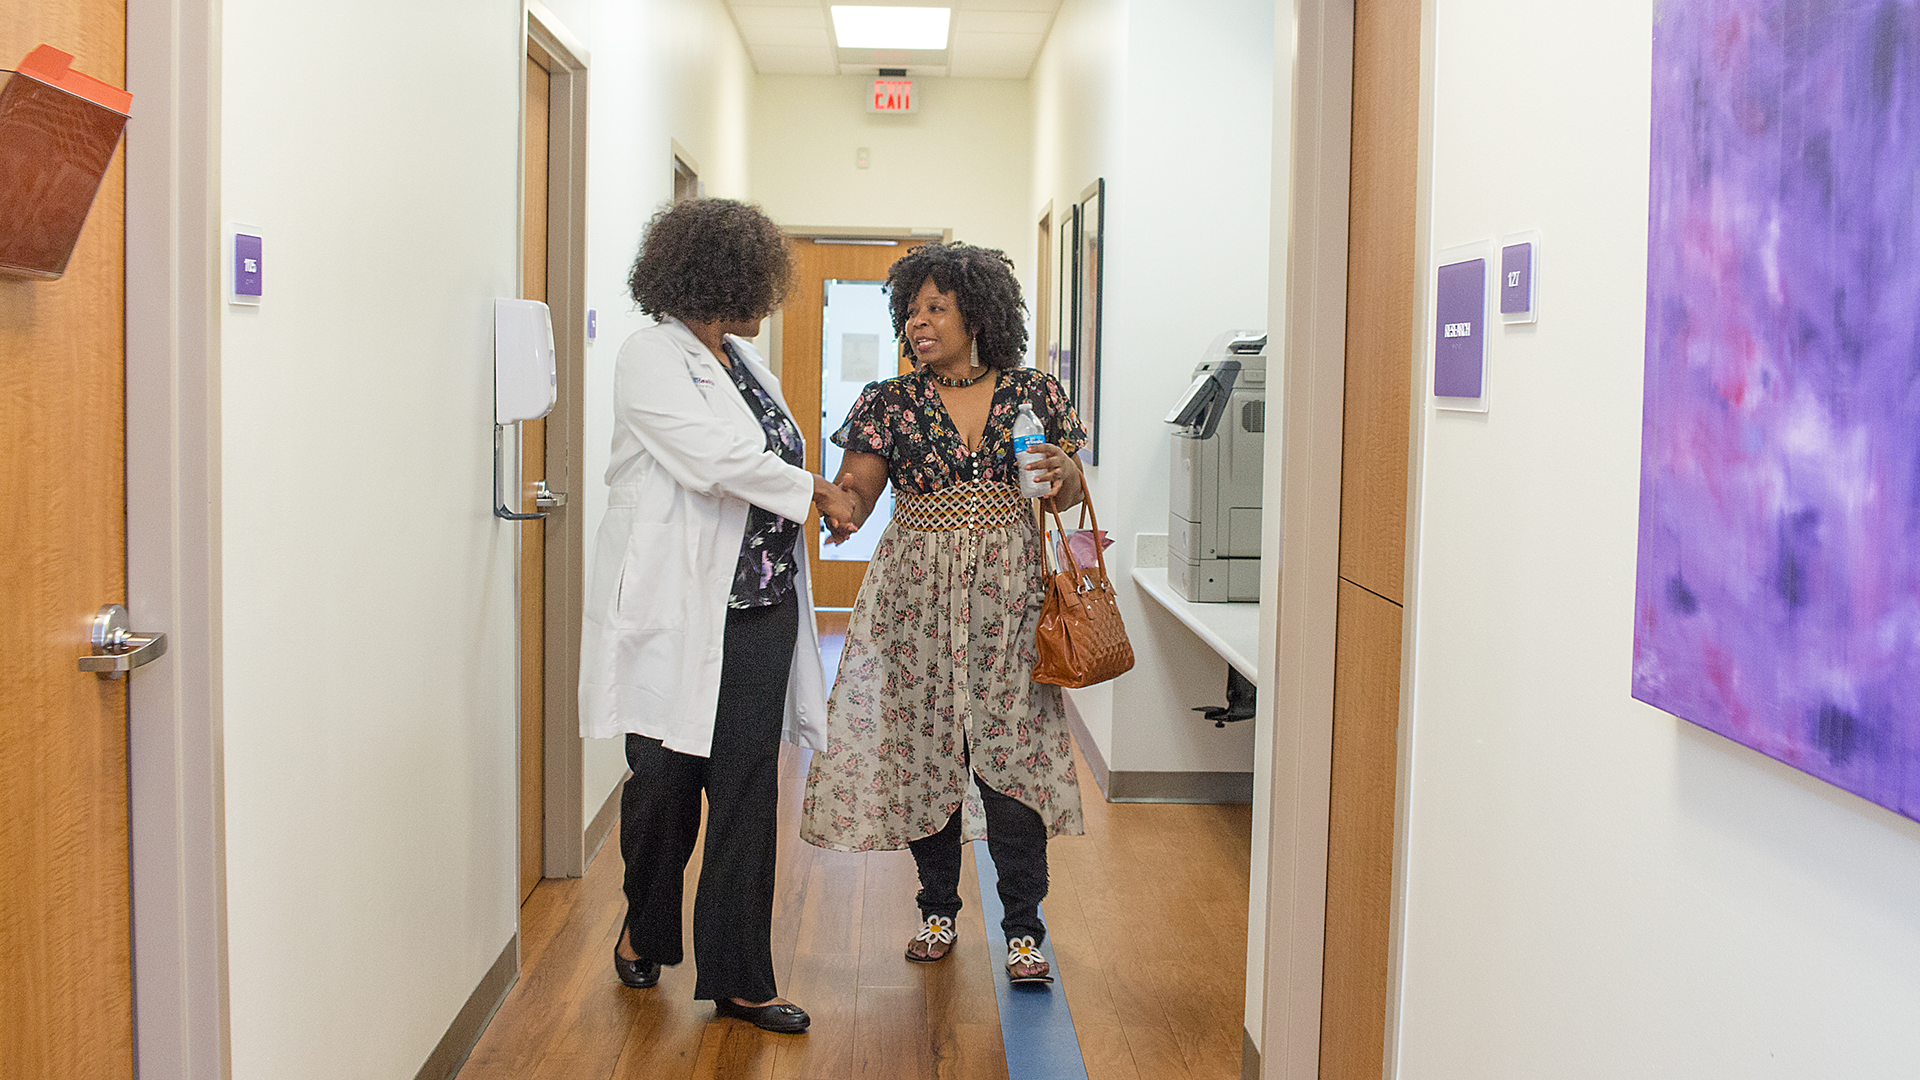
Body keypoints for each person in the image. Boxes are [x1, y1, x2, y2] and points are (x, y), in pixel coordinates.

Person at [578, 198, 858, 1034]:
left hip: (760, 608)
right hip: (675, 607)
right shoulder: (648, 355)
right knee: (664, 787)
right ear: (720, 276)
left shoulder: (743, 363)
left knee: (744, 793)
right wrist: (816, 491)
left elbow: (763, 452)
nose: (770, 302)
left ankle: (739, 975)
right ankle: (647, 924)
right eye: (760, 283)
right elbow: (709, 458)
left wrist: (817, 492)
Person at [800, 242, 1086, 985]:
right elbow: (857, 498)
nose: (918, 323)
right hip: (914, 604)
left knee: (1011, 766)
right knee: (928, 754)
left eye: (935, 308)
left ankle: (1024, 929)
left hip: (1011, 606)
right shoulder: (887, 402)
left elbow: (1066, 495)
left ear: (977, 313)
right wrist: (835, 507)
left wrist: (1067, 474)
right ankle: (936, 908)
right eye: (910, 311)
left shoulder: (1036, 394)